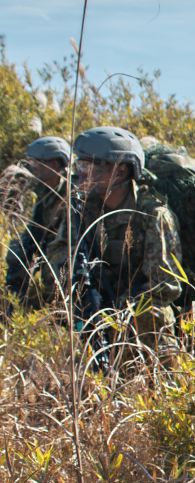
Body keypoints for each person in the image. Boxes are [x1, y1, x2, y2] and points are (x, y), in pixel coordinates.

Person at [46, 126, 183, 359]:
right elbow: (57, 252)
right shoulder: (80, 209)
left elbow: (165, 285)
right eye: (80, 164)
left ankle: (156, 382)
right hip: (95, 302)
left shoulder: (152, 214)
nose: (81, 173)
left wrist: (120, 310)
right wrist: (74, 283)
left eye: (90, 166)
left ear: (119, 172)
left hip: (136, 311)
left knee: (152, 315)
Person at [5, 136, 71, 309]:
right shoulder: (35, 186)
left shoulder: (71, 190)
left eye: (39, 162)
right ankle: (14, 303)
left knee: (56, 269)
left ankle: (57, 310)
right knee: (17, 251)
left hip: (62, 243)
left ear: (55, 164)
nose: (33, 166)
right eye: (32, 161)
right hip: (39, 239)